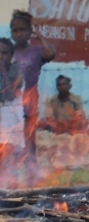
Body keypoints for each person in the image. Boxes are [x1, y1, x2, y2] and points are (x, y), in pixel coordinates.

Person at [10, 10, 56, 164]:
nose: (18, 34)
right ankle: (10, 163)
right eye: (15, 30)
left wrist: (39, 36)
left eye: (22, 29)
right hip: (11, 98)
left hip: (30, 96)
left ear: (30, 31)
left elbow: (50, 54)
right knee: (11, 130)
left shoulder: (36, 52)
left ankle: (30, 162)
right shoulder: (7, 51)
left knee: (29, 132)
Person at [0, 38, 24, 160]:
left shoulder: (17, 72)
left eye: (4, 53)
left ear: (11, 55)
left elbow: (10, 96)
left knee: (10, 149)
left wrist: (3, 72)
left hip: (11, 114)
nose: (0, 56)